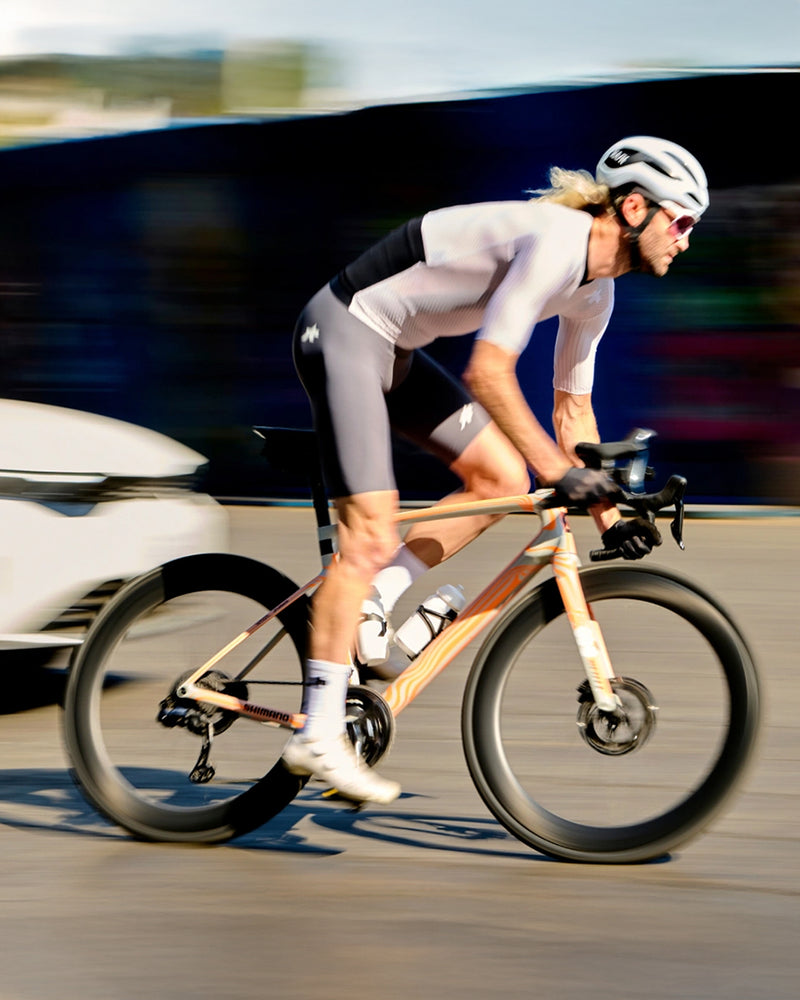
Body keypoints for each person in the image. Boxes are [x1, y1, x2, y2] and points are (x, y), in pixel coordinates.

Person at [283, 135, 709, 804]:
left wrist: (608, 510)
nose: (685, 240)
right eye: (681, 220)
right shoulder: (556, 242)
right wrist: (557, 473)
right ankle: (317, 731)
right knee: (367, 533)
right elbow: (488, 371)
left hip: (394, 349)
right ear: (633, 208)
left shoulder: (595, 294)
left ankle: (376, 597)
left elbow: (574, 418)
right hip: (345, 329)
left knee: (503, 481)